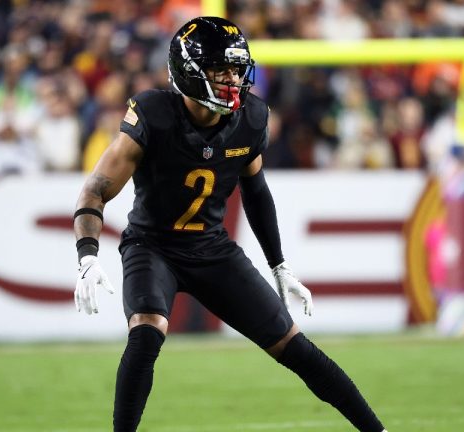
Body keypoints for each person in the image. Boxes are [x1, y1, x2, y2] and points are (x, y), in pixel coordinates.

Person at [72, 17, 388, 432]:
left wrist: (279, 265)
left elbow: (256, 192)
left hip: (212, 249)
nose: (233, 79)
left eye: (237, 69)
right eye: (221, 69)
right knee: (146, 334)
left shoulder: (251, 118)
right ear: (189, 70)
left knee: (296, 349)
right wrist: (87, 257)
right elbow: (94, 190)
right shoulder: (153, 115)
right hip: (153, 246)